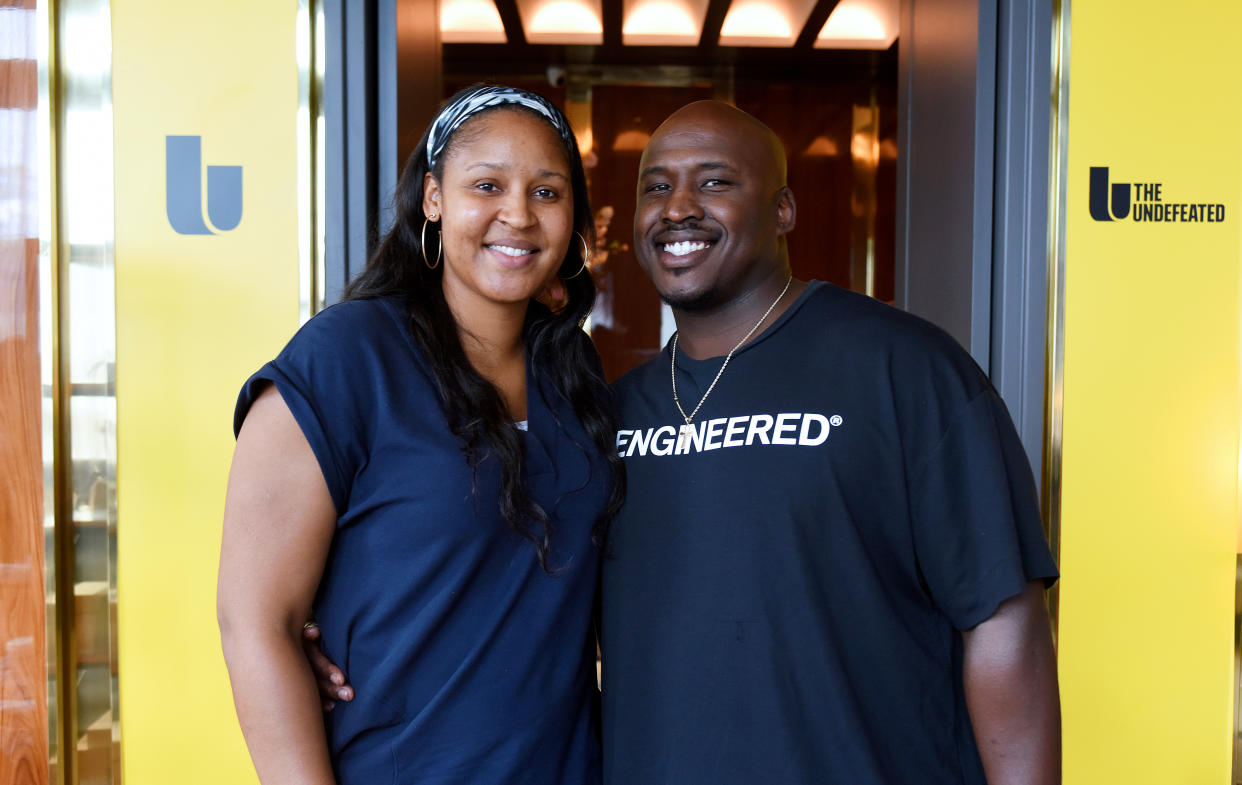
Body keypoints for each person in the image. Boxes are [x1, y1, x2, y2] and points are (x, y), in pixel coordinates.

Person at [308, 100, 1061, 785]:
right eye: (656, 187)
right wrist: (320, 628)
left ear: (784, 208)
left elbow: (1005, 622)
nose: (679, 209)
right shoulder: (607, 416)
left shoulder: (905, 370)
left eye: (715, 182)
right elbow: (490, 576)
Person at [217, 85, 624, 785]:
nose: (518, 215)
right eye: (487, 185)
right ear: (433, 197)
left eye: (548, 192)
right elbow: (257, 622)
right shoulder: (347, 357)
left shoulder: (572, 369)